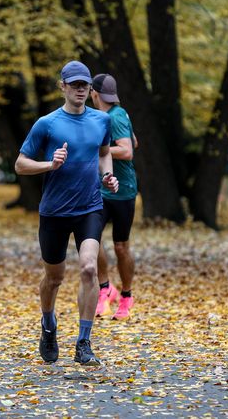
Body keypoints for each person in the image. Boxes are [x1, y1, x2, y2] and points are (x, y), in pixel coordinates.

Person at [15, 60, 119, 366]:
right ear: (62, 87)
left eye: (84, 85)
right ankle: (48, 324)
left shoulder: (101, 121)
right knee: (54, 278)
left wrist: (108, 176)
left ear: (90, 88)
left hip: (90, 207)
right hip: (54, 212)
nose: (80, 90)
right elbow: (20, 164)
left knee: (89, 268)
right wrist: (50, 165)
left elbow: (104, 153)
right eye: (74, 85)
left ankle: (83, 342)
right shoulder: (46, 124)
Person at [90, 73, 138, 320]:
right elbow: (135, 142)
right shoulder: (116, 115)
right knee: (92, 240)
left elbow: (128, 151)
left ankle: (127, 296)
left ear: (93, 93)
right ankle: (105, 289)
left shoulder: (113, 116)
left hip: (124, 191)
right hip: (101, 190)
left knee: (121, 246)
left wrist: (98, 149)